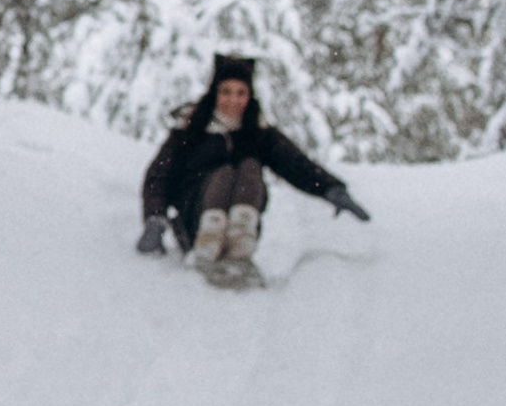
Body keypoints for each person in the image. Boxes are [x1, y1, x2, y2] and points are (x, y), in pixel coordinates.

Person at [137, 54, 371, 276]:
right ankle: (208, 242)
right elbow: (159, 175)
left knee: (249, 167)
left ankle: (240, 245)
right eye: (226, 92)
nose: (233, 100)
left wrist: (332, 189)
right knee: (224, 173)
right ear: (214, 93)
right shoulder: (190, 130)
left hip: (243, 218)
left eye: (241, 93)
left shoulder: (257, 132)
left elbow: (296, 165)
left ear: (250, 96)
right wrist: (154, 219)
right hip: (194, 219)